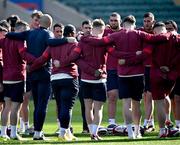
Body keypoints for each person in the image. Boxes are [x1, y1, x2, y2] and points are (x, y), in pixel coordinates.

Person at [80, 15, 168, 139]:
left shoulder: (116, 35)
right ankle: (137, 131)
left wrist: (83, 38)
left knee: (127, 104)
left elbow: (100, 42)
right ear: (134, 23)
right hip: (138, 73)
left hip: (123, 74)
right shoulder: (140, 34)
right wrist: (170, 35)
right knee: (137, 104)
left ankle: (130, 132)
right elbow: (151, 45)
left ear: (123, 23)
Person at [6, 14, 71, 140]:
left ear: (39, 23)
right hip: (44, 73)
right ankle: (37, 133)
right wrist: (67, 40)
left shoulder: (29, 33)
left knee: (36, 104)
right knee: (42, 104)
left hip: (32, 74)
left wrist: (10, 32)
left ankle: (37, 132)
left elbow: (10, 35)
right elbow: (51, 43)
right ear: (50, 25)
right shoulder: (48, 34)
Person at [29, 24, 79, 141]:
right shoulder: (73, 44)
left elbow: (42, 58)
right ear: (72, 34)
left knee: (61, 106)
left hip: (55, 79)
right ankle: (62, 133)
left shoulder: (52, 46)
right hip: (69, 77)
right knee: (66, 107)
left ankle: (66, 132)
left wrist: (31, 67)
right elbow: (74, 57)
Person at [0, 21, 35, 140]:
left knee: (6, 107)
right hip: (17, 77)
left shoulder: (4, 40)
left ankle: (3, 133)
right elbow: (23, 54)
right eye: (25, 31)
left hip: (6, 77)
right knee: (15, 107)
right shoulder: (20, 41)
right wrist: (37, 59)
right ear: (20, 30)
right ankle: (14, 133)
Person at [19, 10, 43, 135]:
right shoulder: (27, 34)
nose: (38, 22)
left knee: (39, 100)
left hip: (40, 69)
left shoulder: (44, 33)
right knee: (25, 99)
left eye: (39, 20)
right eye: (35, 20)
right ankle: (25, 125)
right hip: (28, 69)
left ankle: (36, 125)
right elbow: (22, 51)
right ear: (32, 21)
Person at [139, 12, 155, 131]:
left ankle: (146, 123)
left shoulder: (157, 33)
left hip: (153, 68)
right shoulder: (139, 32)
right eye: (145, 21)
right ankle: (151, 122)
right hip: (142, 68)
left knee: (150, 96)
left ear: (153, 22)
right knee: (145, 96)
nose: (146, 23)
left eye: (149, 21)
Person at [105, 12, 121, 130]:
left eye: (115, 20)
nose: (113, 22)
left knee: (129, 97)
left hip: (125, 68)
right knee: (112, 95)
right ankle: (111, 122)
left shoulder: (126, 32)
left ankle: (130, 122)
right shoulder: (105, 32)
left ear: (119, 21)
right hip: (110, 69)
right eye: (112, 20)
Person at [77, 20, 92, 134]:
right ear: (82, 28)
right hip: (82, 77)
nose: (88, 29)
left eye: (89, 27)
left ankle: (95, 126)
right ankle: (86, 127)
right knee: (84, 104)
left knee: (96, 104)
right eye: (86, 27)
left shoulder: (96, 40)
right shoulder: (79, 42)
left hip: (96, 77)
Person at [165, 20, 180, 129]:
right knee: (173, 99)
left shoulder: (178, 39)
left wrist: (169, 65)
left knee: (177, 98)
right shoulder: (163, 41)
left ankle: (178, 124)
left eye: (170, 29)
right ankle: (174, 123)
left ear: (175, 29)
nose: (168, 31)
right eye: (166, 29)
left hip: (177, 72)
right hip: (169, 74)